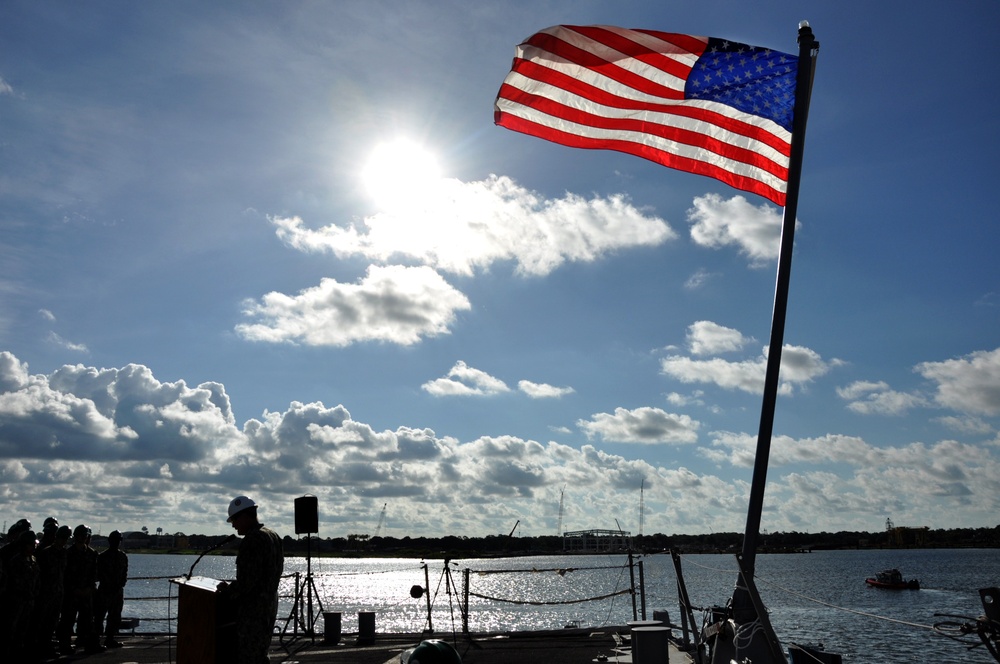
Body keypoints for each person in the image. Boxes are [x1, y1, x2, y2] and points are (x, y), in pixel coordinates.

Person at [219, 495, 284, 663]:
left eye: (234, 520)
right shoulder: (273, 535)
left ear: (245, 516)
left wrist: (227, 591)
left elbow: (247, 582)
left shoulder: (253, 539)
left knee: (248, 656)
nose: (233, 525)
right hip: (269, 605)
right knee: (260, 654)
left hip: (252, 612)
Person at [57, 524, 103, 655]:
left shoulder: (92, 553)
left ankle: (88, 644)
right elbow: (64, 574)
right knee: (67, 620)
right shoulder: (68, 553)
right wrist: (73, 589)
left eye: (85, 536)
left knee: (88, 621)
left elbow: (94, 574)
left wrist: (89, 589)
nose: (83, 538)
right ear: (75, 536)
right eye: (80, 535)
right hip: (71, 593)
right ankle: (64, 645)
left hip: (87, 593)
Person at [34, 524, 71, 659]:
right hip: (45, 592)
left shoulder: (64, 553)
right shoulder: (46, 553)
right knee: (41, 621)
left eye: (66, 538)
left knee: (53, 621)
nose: (64, 541)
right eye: (62, 538)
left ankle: (47, 645)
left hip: (58, 592)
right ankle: (38, 647)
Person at [95, 530, 129, 648]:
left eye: (118, 541)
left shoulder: (123, 556)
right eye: (114, 540)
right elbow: (98, 574)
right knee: (99, 617)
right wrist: (109, 584)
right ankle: (96, 640)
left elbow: (124, 573)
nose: (116, 543)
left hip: (117, 591)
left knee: (115, 617)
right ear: (110, 541)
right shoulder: (102, 557)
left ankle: (110, 639)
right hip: (105, 591)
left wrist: (120, 585)